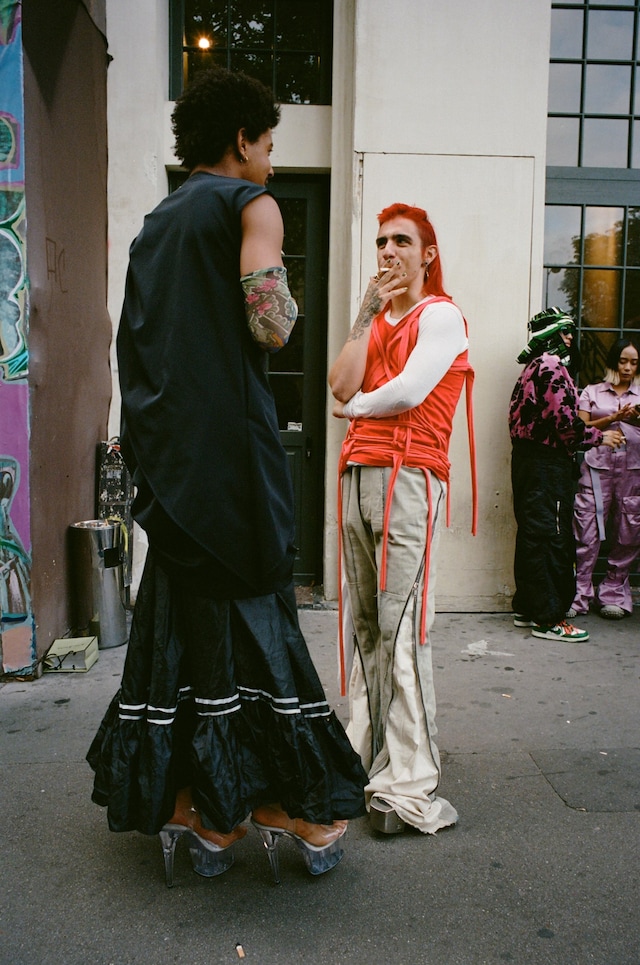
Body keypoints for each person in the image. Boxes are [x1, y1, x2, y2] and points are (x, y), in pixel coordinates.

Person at [87, 67, 367, 888]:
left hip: (171, 471)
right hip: (236, 468)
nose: (274, 164)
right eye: (271, 146)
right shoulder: (252, 207)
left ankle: (200, 808)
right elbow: (271, 324)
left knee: (187, 630)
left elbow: (133, 354)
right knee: (258, 627)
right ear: (241, 140)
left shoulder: (152, 227)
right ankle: (290, 805)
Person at [329, 203, 475, 836]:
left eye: (402, 242)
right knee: (365, 628)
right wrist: (365, 307)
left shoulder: (440, 314)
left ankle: (409, 781)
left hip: (410, 477)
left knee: (404, 630)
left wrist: (358, 407)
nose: (388, 251)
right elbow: (339, 382)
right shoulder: (380, 316)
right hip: (360, 474)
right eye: (382, 241)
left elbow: (408, 391)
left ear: (427, 254)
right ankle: (363, 757)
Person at [509, 307, 623, 642]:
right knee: (552, 537)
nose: (571, 338)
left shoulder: (533, 366)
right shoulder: (552, 366)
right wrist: (600, 437)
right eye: (565, 332)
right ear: (550, 334)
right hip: (547, 465)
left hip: (529, 462)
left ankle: (527, 607)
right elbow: (564, 425)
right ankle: (548, 619)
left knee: (532, 534)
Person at [570, 337, 640, 619]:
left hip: (633, 468)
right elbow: (579, 428)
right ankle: (580, 593)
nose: (628, 367)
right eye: (623, 361)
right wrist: (613, 417)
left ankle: (613, 591)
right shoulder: (593, 391)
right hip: (596, 467)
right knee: (586, 528)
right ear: (613, 361)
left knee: (629, 528)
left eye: (634, 362)